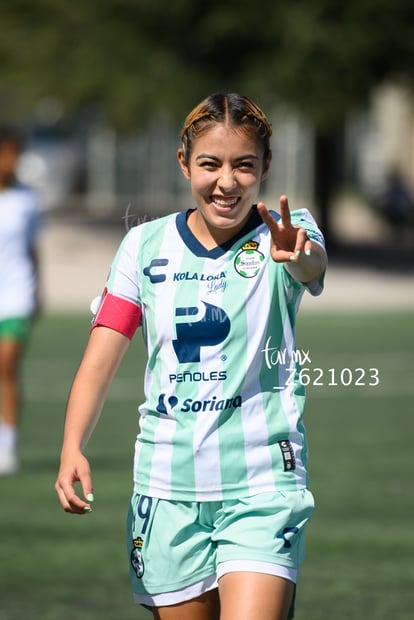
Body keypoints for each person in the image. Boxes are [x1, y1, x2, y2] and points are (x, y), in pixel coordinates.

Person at [55, 93, 327, 620]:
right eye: (210, 164)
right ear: (184, 164)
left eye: (244, 165)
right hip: (166, 487)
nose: (226, 181)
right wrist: (71, 446)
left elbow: (310, 265)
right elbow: (101, 355)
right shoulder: (142, 246)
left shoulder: (288, 232)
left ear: (265, 166)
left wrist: (301, 252)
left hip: (263, 483)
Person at [0, 126, 42, 475]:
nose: (13, 161)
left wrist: (38, 289)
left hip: (16, 295)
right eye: (8, 153)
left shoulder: (27, 199)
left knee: (7, 364)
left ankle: (8, 444)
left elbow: (32, 249)